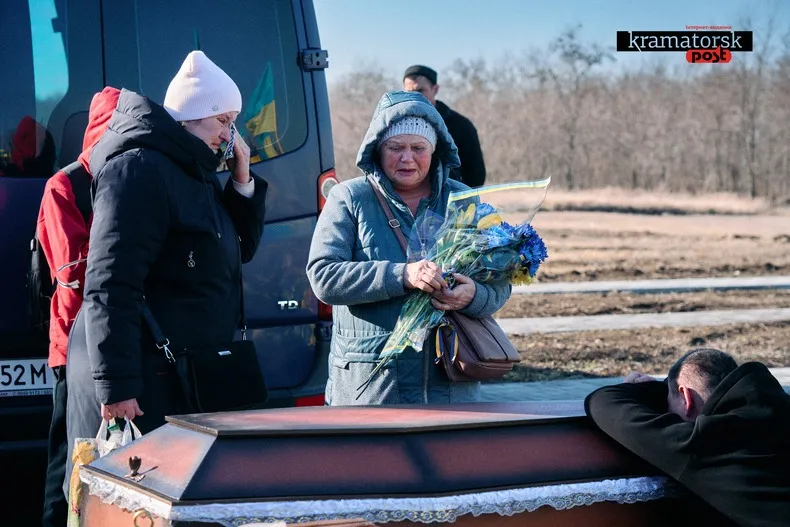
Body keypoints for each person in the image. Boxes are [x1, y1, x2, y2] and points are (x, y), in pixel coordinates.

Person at [64, 51, 267, 490]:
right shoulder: (140, 169)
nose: (230, 135)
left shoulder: (192, 169)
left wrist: (242, 179)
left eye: (233, 122)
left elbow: (239, 250)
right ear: (190, 117)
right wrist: (117, 386)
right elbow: (111, 283)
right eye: (222, 120)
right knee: (133, 503)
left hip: (179, 376)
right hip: (144, 383)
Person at [306, 90, 511, 406]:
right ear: (378, 148)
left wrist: (473, 295)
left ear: (434, 150)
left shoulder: (463, 200)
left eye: (418, 148)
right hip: (373, 391)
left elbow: (499, 283)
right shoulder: (349, 198)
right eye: (396, 147)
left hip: (450, 391)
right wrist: (402, 275)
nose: (407, 158)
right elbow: (324, 277)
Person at [37, 86, 120, 527]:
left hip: (110, 340)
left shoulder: (126, 176)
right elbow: (72, 275)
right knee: (67, 458)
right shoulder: (65, 184)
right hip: (73, 344)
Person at [585, 348, 790, 526]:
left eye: (669, 403)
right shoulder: (780, 411)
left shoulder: (703, 441)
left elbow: (602, 401)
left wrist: (656, 388)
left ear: (686, 398)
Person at [402, 65, 486, 188]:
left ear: (435, 89)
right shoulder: (396, 125)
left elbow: (476, 176)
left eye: (420, 91)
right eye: (409, 93)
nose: (414, 97)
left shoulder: (461, 126)